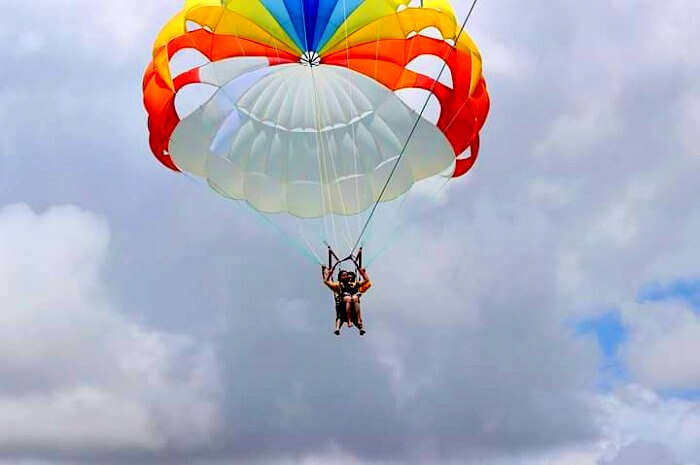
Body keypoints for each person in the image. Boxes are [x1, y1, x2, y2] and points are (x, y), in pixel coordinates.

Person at [322, 265, 372, 336]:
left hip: (353, 305)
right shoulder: (338, 285)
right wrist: (329, 272)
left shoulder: (354, 284)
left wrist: (363, 273)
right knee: (347, 300)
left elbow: (366, 281)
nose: (346, 277)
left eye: (347, 275)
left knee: (354, 298)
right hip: (343, 305)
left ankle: (359, 323)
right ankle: (344, 323)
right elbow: (326, 281)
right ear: (340, 277)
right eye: (344, 275)